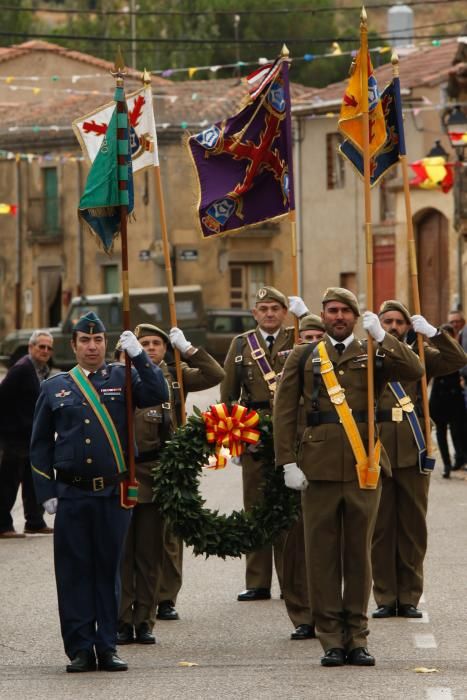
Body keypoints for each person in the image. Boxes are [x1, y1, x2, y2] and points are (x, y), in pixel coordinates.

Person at [273, 287, 424, 667]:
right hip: (318, 467)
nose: (337, 317)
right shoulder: (305, 355)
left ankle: (357, 636)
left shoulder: (373, 352)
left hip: (365, 466)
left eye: (345, 311)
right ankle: (330, 639)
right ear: (323, 315)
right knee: (321, 557)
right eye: (331, 311)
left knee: (359, 555)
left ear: (355, 317)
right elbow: (285, 411)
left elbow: (415, 370)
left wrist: (383, 336)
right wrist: (287, 462)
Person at [30, 312, 168, 674]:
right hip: (73, 494)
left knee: (108, 570)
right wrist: (46, 489)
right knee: (74, 572)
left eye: (98, 340)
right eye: (84, 341)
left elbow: (158, 393)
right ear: (73, 345)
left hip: (111, 493)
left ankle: (107, 646)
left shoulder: (124, 377)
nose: (92, 347)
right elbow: (40, 443)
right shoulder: (55, 387)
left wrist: (139, 355)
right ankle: (78, 647)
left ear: (106, 343)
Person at [117, 323, 225, 644]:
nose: (150, 348)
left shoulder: (176, 373)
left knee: (166, 540)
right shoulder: (122, 376)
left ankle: (164, 598)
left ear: (166, 349)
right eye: (144, 343)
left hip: (168, 463)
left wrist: (189, 350)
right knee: (132, 545)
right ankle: (127, 610)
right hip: (134, 466)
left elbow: (214, 375)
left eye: (156, 343)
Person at [371, 301, 467, 620]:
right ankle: (385, 595)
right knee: (381, 528)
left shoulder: (421, 354)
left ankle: (409, 596)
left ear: (408, 326)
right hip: (378, 450)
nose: (394, 327)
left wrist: (435, 334)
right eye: (388, 321)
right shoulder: (367, 352)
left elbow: (457, 359)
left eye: (399, 322)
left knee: (412, 526)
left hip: (413, 447)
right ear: (379, 323)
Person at [220, 286, 309, 602]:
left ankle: (292, 580)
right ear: (255, 313)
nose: (270, 313)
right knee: (256, 507)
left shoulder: (297, 338)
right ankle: (257, 581)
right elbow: (228, 395)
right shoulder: (241, 344)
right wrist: (234, 441)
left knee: (291, 509)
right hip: (255, 432)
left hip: (292, 431)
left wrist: (306, 315)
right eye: (264, 308)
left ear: (285, 312)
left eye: (276, 308)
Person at [281, 313, 325, 641]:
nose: (312, 343)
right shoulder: (292, 369)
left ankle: (328, 611)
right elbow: (281, 415)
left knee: (328, 544)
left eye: (317, 337)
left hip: (327, 464)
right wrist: (285, 463)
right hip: (295, 464)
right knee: (297, 543)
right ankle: (302, 614)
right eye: (306, 337)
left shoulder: (336, 371)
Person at [0, 330, 54, 538]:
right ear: (31, 348)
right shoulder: (21, 369)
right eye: (41, 346)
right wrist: (9, 428)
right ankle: (2, 525)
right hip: (14, 437)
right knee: (8, 483)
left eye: (49, 348)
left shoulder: (42, 370)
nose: (45, 351)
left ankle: (35, 521)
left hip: (31, 436)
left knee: (33, 480)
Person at [429, 323, 466, 476]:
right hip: (439, 399)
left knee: (457, 432)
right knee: (441, 434)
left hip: (454, 398)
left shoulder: (457, 354)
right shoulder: (435, 354)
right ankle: (446, 465)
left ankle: (459, 458)